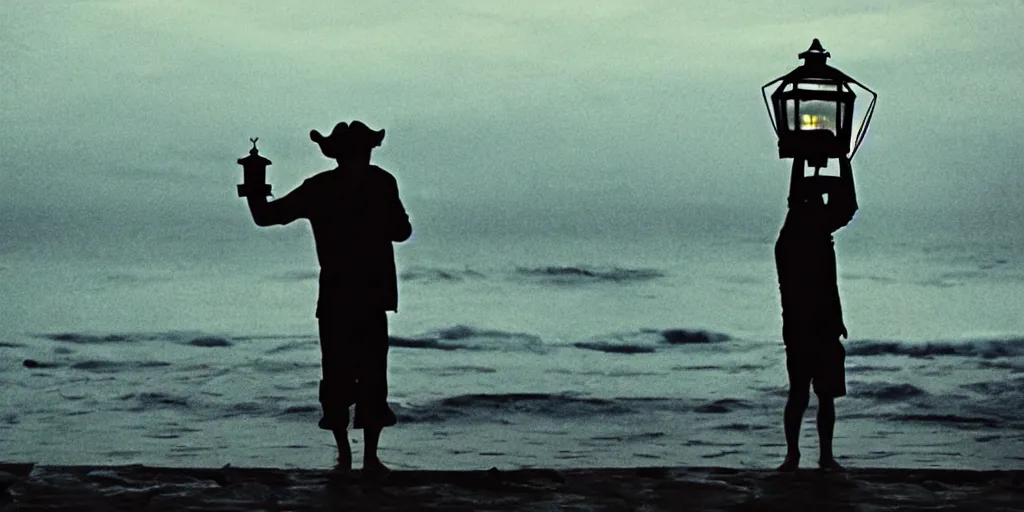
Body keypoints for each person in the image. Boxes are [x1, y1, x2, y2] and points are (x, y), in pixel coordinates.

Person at [243, 120, 412, 475]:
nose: (360, 158)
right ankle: (359, 457)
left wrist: (255, 187)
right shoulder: (378, 183)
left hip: (346, 294)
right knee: (361, 375)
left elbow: (266, 216)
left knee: (349, 375)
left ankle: (355, 457)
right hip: (361, 294)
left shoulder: (324, 188)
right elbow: (402, 230)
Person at [774, 156, 857, 472]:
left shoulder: (792, 241)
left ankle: (803, 456)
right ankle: (810, 456)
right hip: (812, 327)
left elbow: (810, 199)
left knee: (809, 394)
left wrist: (806, 162)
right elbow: (845, 205)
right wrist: (840, 162)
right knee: (816, 395)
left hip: (804, 327)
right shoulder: (808, 239)